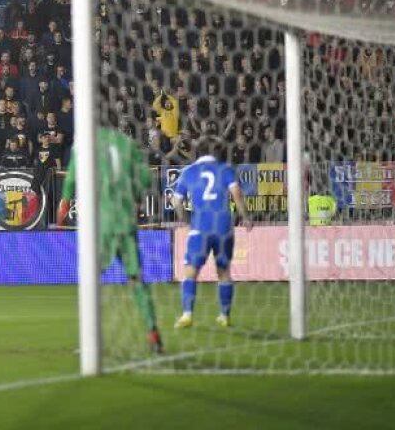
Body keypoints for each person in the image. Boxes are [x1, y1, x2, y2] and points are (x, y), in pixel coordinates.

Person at [57, 124, 164, 355]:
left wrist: (63, 209)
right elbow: (146, 178)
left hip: (101, 225)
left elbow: (70, 181)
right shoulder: (128, 144)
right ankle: (153, 333)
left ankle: (90, 340)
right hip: (125, 222)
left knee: (90, 278)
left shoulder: (84, 143)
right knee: (136, 279)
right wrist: (133, 198)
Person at [171, 144, 252, 330]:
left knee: (191, 272)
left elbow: (176, 201)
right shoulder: (225, 169)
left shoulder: (189, 171)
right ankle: (224, 316)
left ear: (197, 154)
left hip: (200, 226)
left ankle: (187, 315)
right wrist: (246, 217)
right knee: (223, 272)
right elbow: (237, 194)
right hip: (223, 226)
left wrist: (186, 220)